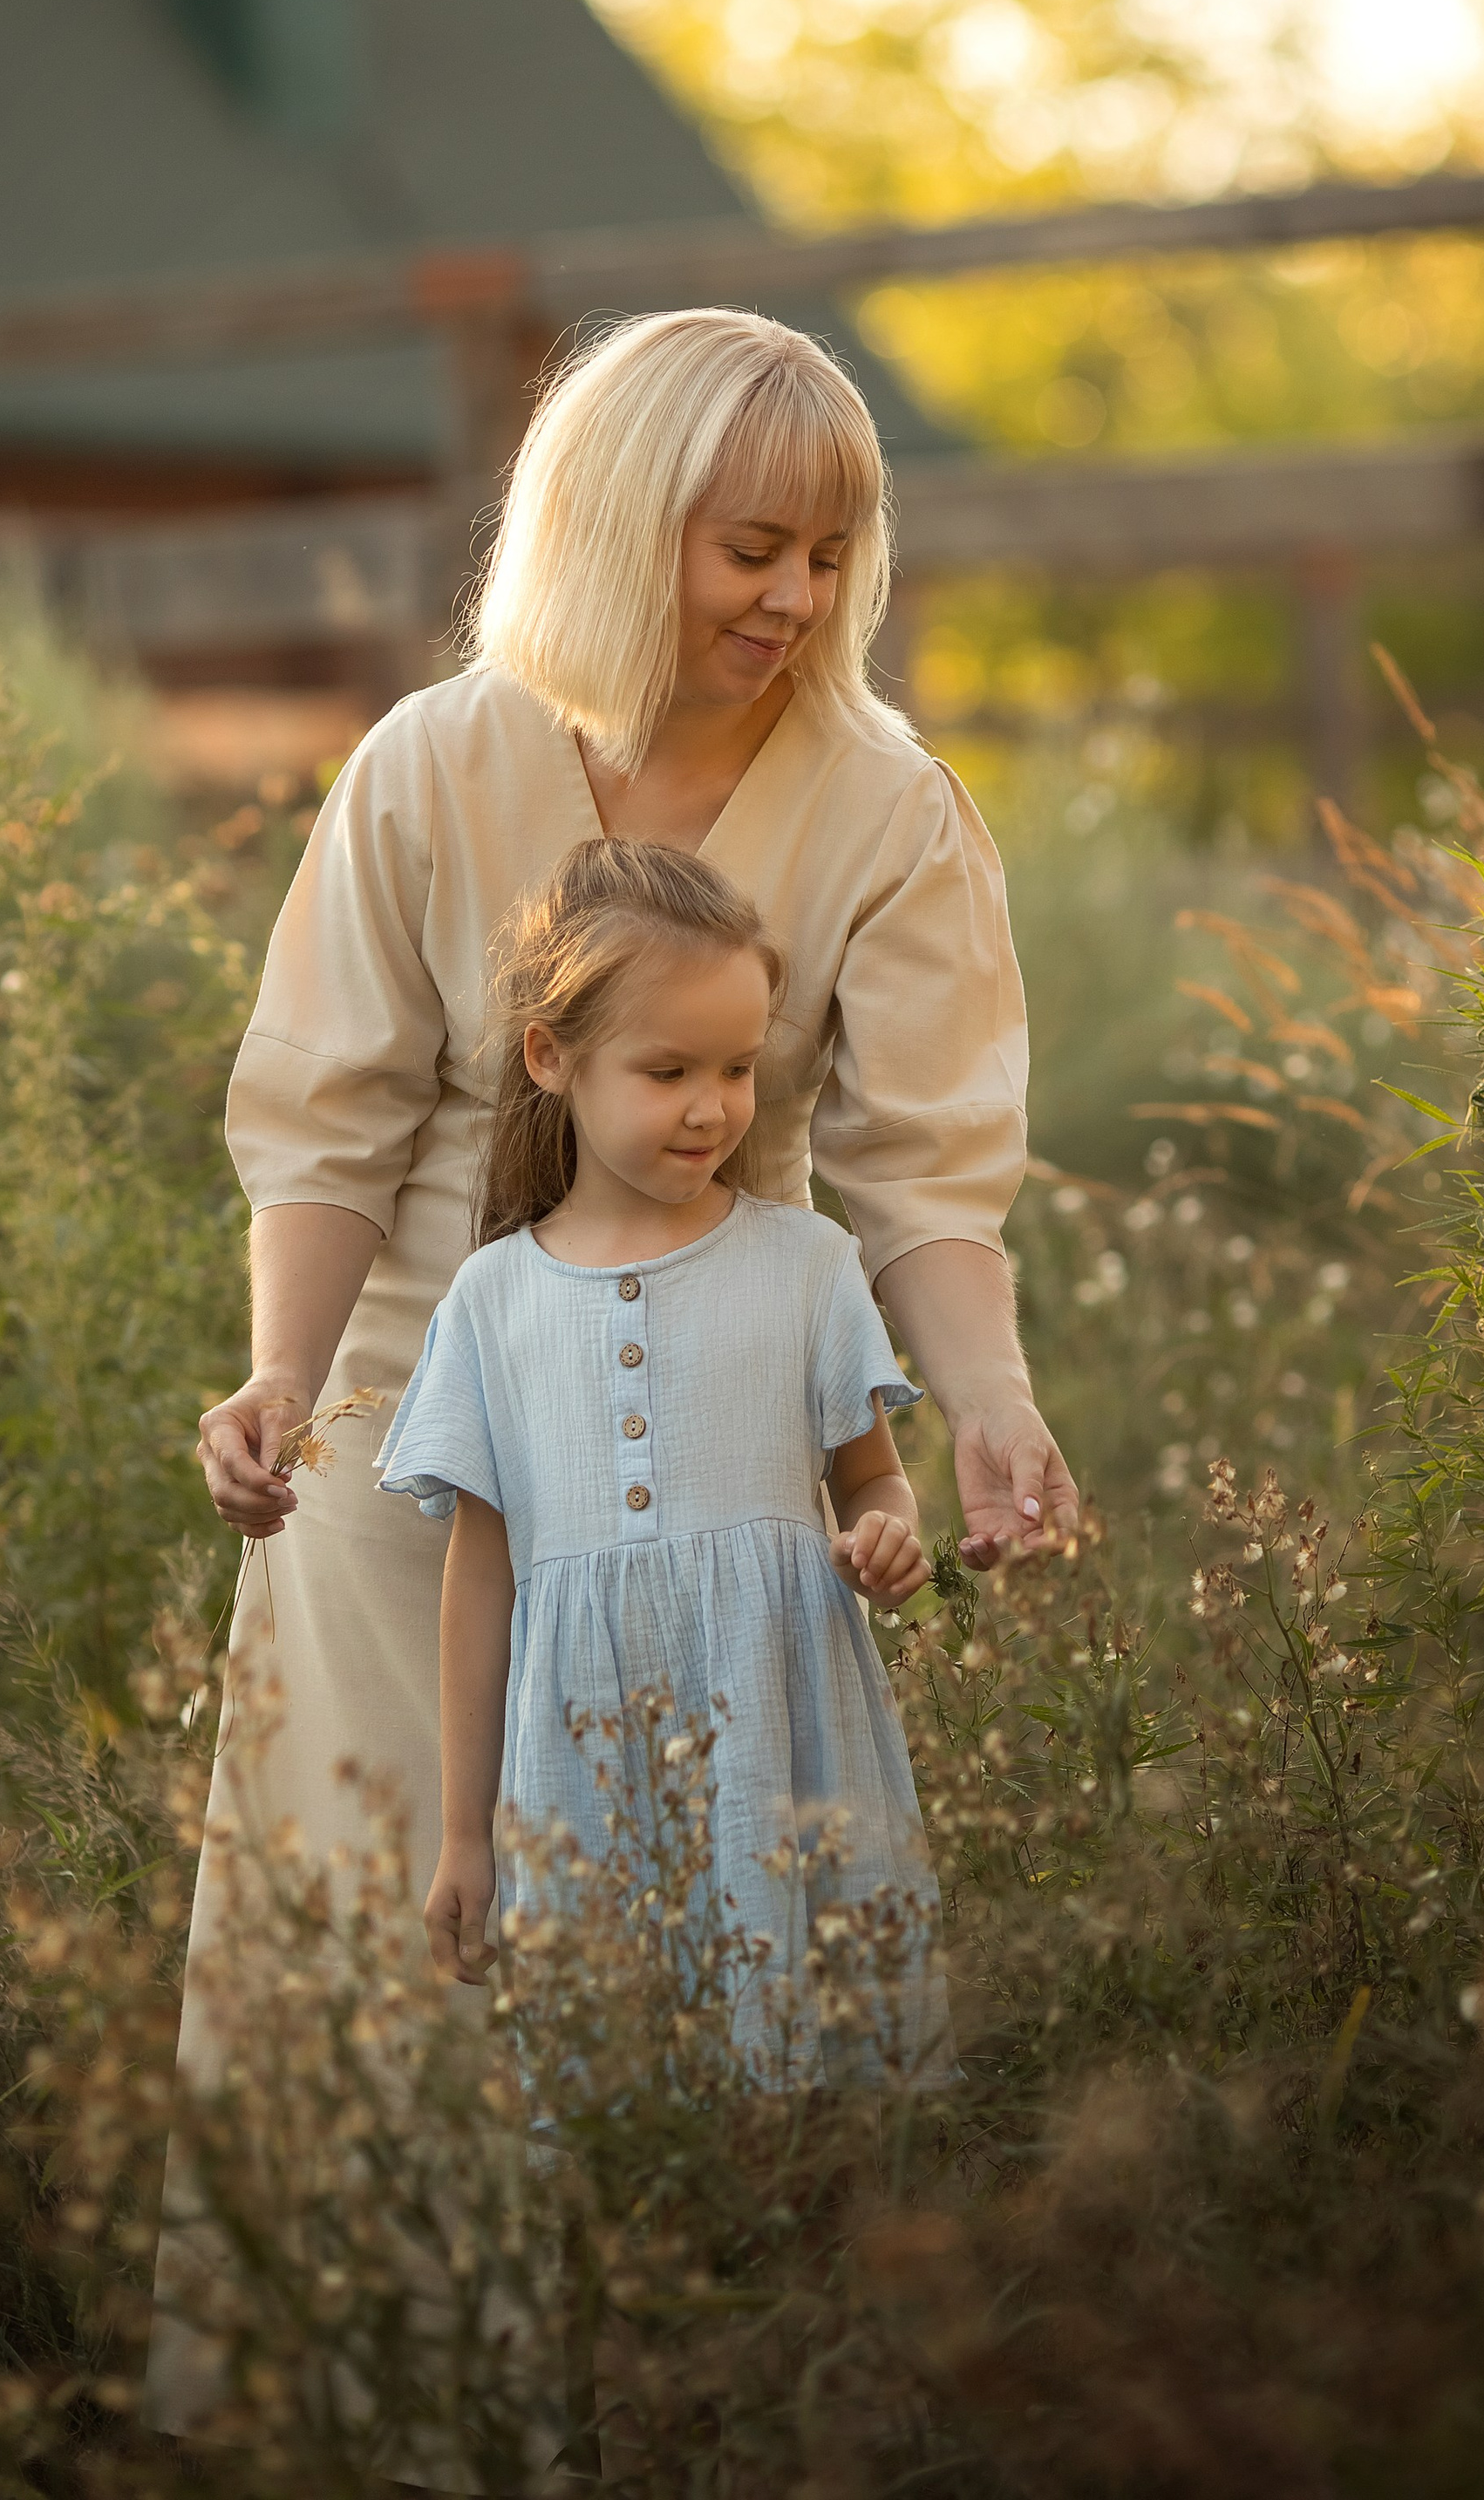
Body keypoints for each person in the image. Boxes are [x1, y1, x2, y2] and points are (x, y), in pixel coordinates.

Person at [149, 305, 1075, 2431]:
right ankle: (374, 2419)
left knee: (683, 1940)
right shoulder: (430, 764)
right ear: (613, 521)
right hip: (409, 1448)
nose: (794, 599)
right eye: (749, 545)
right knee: (404, 1932)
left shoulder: (886, 809)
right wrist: (280, 1386)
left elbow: (926, 1178)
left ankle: (660, 2405)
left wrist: (993, 1407)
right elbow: (327, 1117)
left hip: (708, 1479)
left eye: (831, 555)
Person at [380, 836, 943, 2085]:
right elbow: (481, 1583)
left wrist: (888, 1534)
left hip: (782, 1754)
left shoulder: (805, 1264)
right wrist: (464, 1837)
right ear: (552, 1058)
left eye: (740, 1068)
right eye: (669, 1069)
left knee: (814, 2096)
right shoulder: (491, 1302)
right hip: (579, 1782)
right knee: (620, 2119)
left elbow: (871, 1479)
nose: (713, 1106)